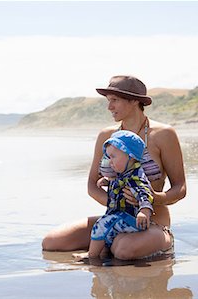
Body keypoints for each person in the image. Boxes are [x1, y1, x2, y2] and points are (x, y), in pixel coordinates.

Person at [42, 75, 187, 260]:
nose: (109, 107)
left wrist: (151, 199)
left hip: (153, 221)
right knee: (52, 242)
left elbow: (180, 188)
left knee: (123, 249)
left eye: (114, 100)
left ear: (135, 100)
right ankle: (108, 243)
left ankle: (153, 242)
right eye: (108, 101)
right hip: (115, 217)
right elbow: (92, 185)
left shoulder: (163, 134)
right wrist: (118, 202)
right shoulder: (107, 136)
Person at [73, 130, 154, 260]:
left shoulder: (136, 177)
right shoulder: (125, 173)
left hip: (132, 219)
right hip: (122, 217)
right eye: (109, 157)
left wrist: (144, 210)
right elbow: (120, 182)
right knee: (109, 232)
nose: (110, 162)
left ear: (131, 156)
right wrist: (108, 182)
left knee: (102, 224)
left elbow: (145, 193)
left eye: (114, 157)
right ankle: (103, 253)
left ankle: (91, 255)